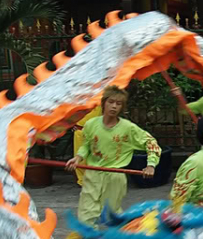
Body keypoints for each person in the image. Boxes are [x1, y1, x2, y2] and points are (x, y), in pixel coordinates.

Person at [66, 86, 161, 226]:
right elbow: (86, 145)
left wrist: (151, 165)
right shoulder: (91, 124)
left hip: (115, 175)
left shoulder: (128, 128)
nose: (114, 106)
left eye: (118, 103)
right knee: (86, 215)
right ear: (104, 103)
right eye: (111, 102)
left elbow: (151, 143)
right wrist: (78, 158)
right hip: (93, 173)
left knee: (110, 216)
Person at [72, 105, 102, 186]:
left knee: (96, 157)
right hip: (80, 130)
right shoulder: (78, 96)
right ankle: (82, 182)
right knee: (79, 158)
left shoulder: (100, 96)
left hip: (96, 131)